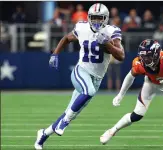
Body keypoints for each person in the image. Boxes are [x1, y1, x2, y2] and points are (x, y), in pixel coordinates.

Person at [34, 3, 125, 150]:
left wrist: (108, 45)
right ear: (88, 18)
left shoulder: (111, 31)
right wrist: (55, 54)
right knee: (88, 93)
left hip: (96, 78)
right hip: (81, 72)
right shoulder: (82, 27)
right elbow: (66, 38)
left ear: (106, 18)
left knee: (71, 110)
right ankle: (65, 122)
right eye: (93, 18)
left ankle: (43, 134)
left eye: (99, 18)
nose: (96, 21)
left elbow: (121, 56)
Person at [100, 39, 163, 147]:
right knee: (137, 114)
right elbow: (130, 77)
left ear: (156, 54)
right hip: (150, 83)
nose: (145, 59)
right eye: (143, 56)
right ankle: (112, 130)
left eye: (148, 56)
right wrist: (120, 94)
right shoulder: (139, 63)